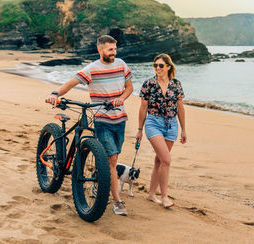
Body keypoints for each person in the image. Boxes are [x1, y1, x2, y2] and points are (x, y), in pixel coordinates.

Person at [46, 35, 133, 216]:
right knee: (112, 159)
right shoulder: (92, 69)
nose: (114, 53)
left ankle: (97, 185)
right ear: (100, 50)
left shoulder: (121, 64)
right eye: (110, 50)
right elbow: (71, 83)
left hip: (120, 119)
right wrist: (55, 93)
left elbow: (129, 87)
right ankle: (117, 201)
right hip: (102, 119)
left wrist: (121, 99)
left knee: (111, 159)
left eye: (115, 49)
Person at [136, 53, 187, 208]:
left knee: (159, 160)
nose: (157, 68)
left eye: (161, 65)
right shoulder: (149, 84)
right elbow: (143, 107)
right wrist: (139, 129)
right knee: (166, 160)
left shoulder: (176, 84)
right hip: (153, 123)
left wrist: (184, 129)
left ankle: (151, 194)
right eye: (155, 65)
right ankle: (164, 197)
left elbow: (180, 107)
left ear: (168, 67)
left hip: (171, 124)